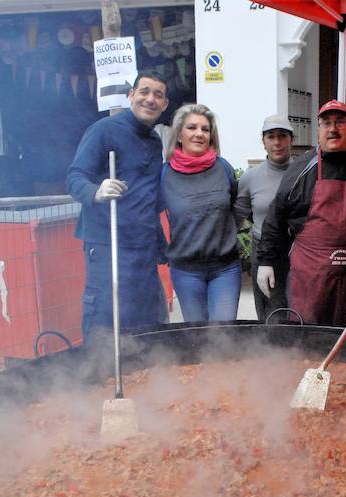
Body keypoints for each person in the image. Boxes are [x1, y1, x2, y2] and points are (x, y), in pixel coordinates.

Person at [257, 100, 346, 329]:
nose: (333, 129)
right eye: (326, 123)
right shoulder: (300, 170)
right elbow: (275, 218)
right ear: (318, 131)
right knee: (307, 342)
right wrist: (266, 261)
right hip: (310, 279)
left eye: (340, 123)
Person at [66, 72, 170, 342]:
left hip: (143, 247)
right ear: (131, 95)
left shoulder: (154, 140)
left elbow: (148, 197)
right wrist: (96, 191)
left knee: (144, 315)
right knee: (104, 315)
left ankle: (140, 375)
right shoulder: (104, 130)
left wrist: (160, 243)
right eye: (144, 91)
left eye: (158, 95)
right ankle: (97, 377)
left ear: (165, 104)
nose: (150, 99)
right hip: (106, 244)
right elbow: (75, 177)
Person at [159, 103, 243, 322]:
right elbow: (149, 214)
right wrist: (161, 246)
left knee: (223, 334)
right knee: (197, 337)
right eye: (192, 128)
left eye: (205, 129)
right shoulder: (164, 175)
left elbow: (233, 205)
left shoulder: (223, 168)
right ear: (178, 135)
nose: (199, 134)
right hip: (186, 270)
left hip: (225, 268)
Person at [236, 115, 294, 321]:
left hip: (297, 251)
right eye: (271, 137)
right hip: (263, 252)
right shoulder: (251, 177)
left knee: (299, 310)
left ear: (291, 140)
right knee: (270, 313)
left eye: (282, 136)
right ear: (263, 141)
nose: (277, 142)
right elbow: (237, 217)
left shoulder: (302, 173)